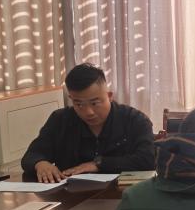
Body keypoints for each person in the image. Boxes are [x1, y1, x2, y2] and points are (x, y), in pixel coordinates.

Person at [21, 63, 154, 182]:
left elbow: (148, 159)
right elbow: (31, 155)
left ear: (109, 96)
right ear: (71, 99)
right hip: (70, 196)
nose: (88, 112)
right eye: (79, 104)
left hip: (120, 195)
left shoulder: (134, 120)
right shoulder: (60, 120)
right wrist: (40, 163)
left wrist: (99, 164)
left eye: (95, 103)